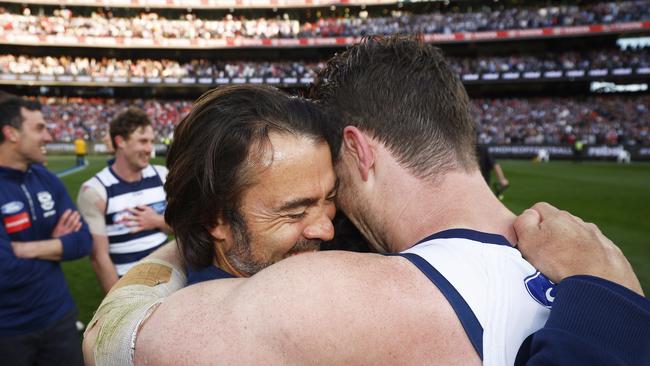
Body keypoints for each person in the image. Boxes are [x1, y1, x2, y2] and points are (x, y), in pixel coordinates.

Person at [85, 38, 648, 365]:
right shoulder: (593, 268)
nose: (330, 226)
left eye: (331, 192)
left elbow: (113, 338)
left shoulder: (337, 298)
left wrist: (183, 235)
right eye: (296, 207)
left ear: (356, 149)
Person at [0, 92, 92, 366]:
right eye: (39, 128)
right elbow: (4, 271)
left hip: (59, 319)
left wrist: (27, 248)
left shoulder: (45, 178)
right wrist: (56, 246)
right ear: (11, 133)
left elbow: (83, 241)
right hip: (8, 333)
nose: (48, 137)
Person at [77, 108, 172, 293]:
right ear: (120, 141)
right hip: (130, 287)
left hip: (170, 281)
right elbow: (99, 256)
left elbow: (184, 228)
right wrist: (119, 301)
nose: (149, 149)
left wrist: (157, 221)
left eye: (151, 141)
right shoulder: (95, 191)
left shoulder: (163, 176)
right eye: (143, 141)